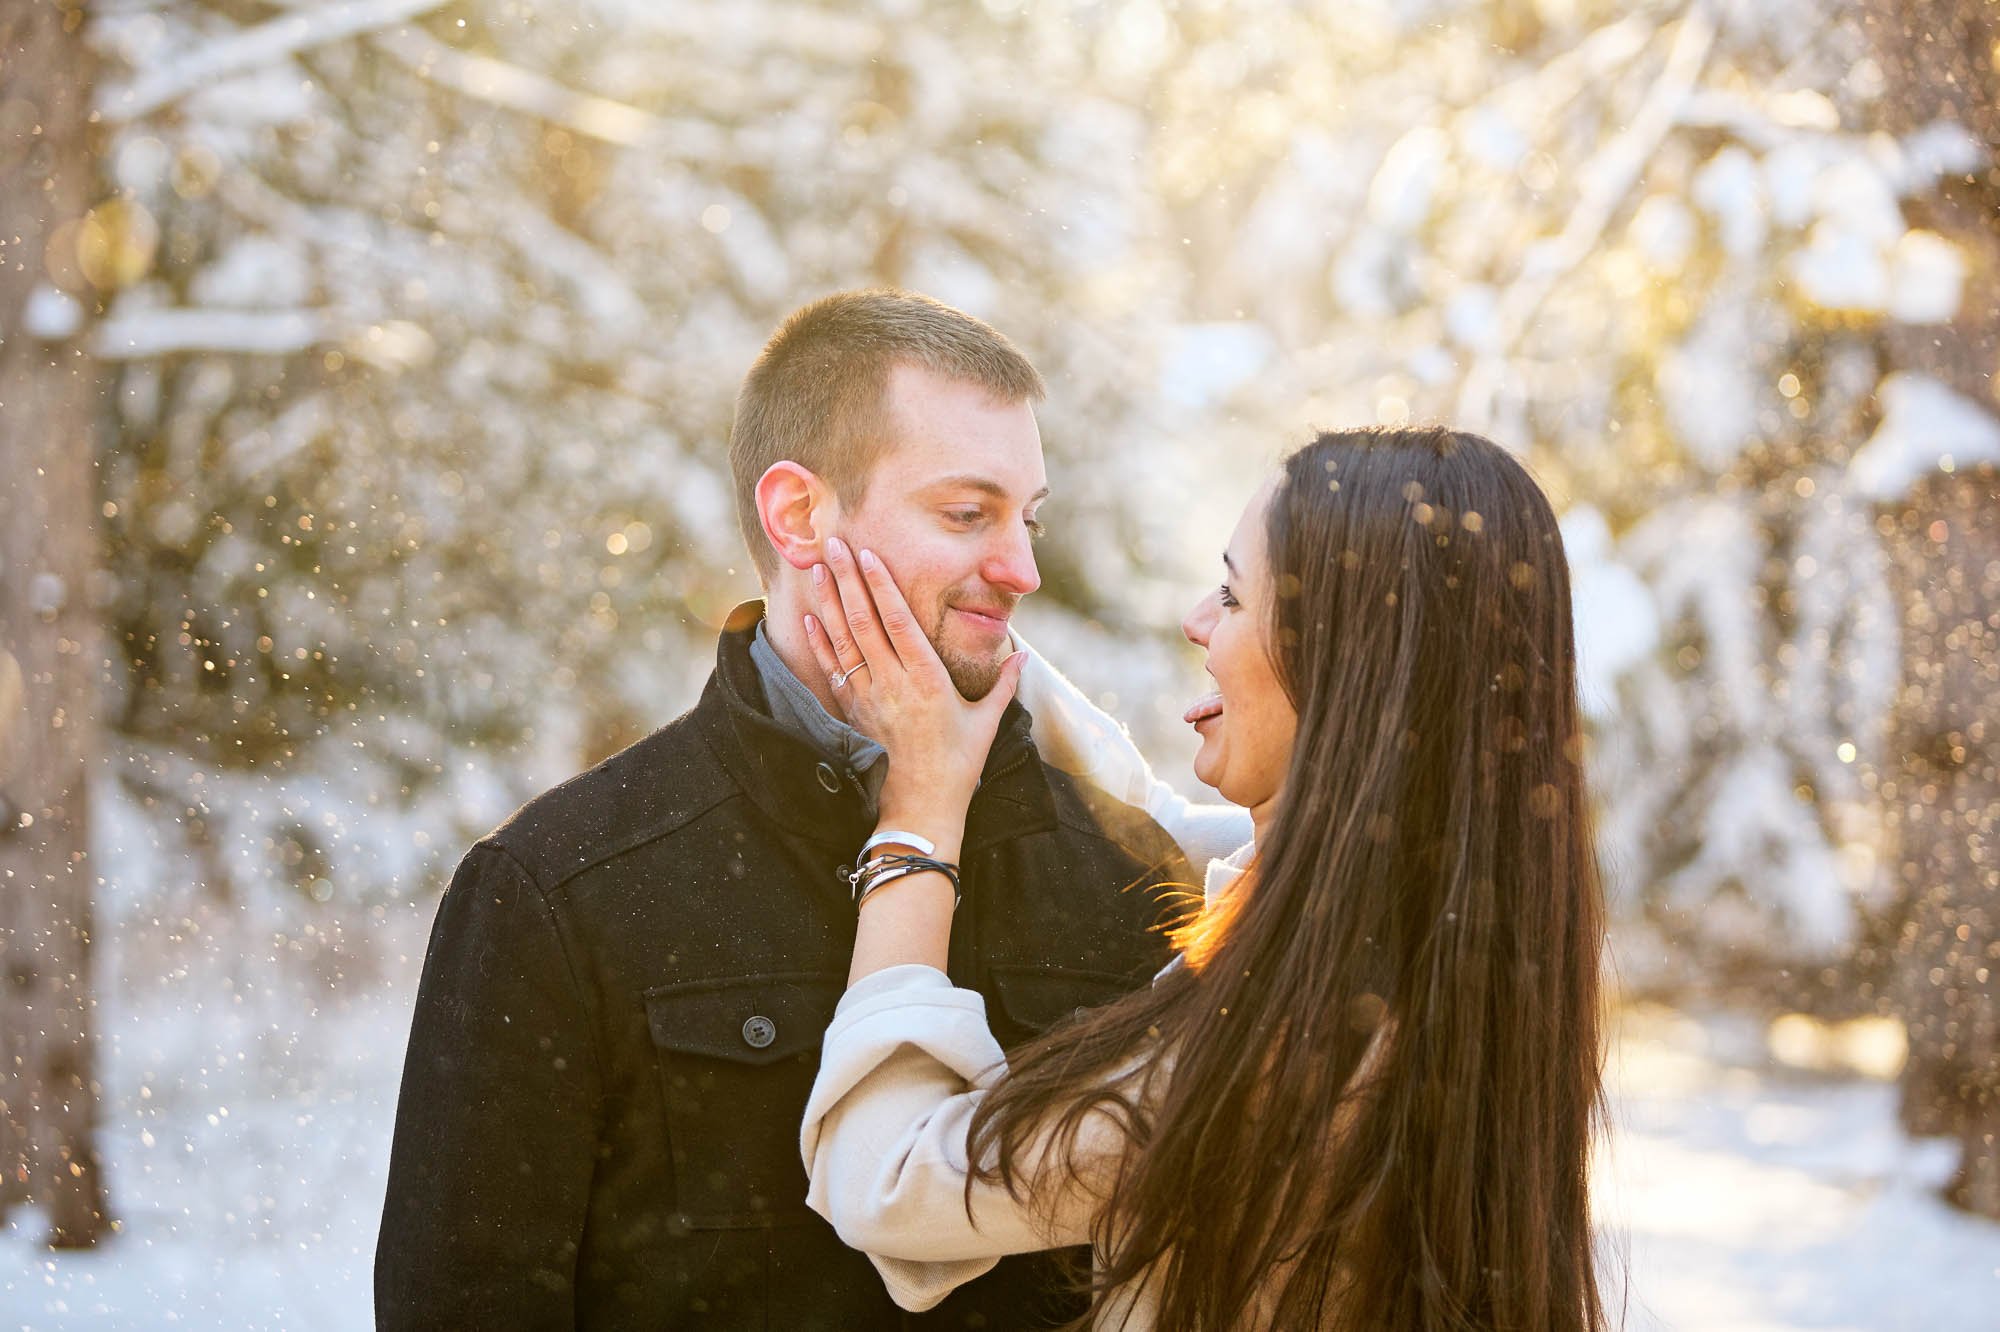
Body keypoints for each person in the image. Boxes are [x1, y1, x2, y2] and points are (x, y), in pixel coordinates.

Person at [375, 289, 1231, 1328]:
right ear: (798, 517)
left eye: (1028, 518)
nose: (1020, 569)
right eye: (968, 514)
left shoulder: (1131, 873)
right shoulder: (559, 887)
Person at [800, 426, 1612, 1330]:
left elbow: (889, 1179)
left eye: (1231, 593)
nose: (1195, 619)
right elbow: (1158, 829)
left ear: (1344, 664)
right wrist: (987, 654)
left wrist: (917, 817)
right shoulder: (1451, 923)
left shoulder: (1281, 1056)